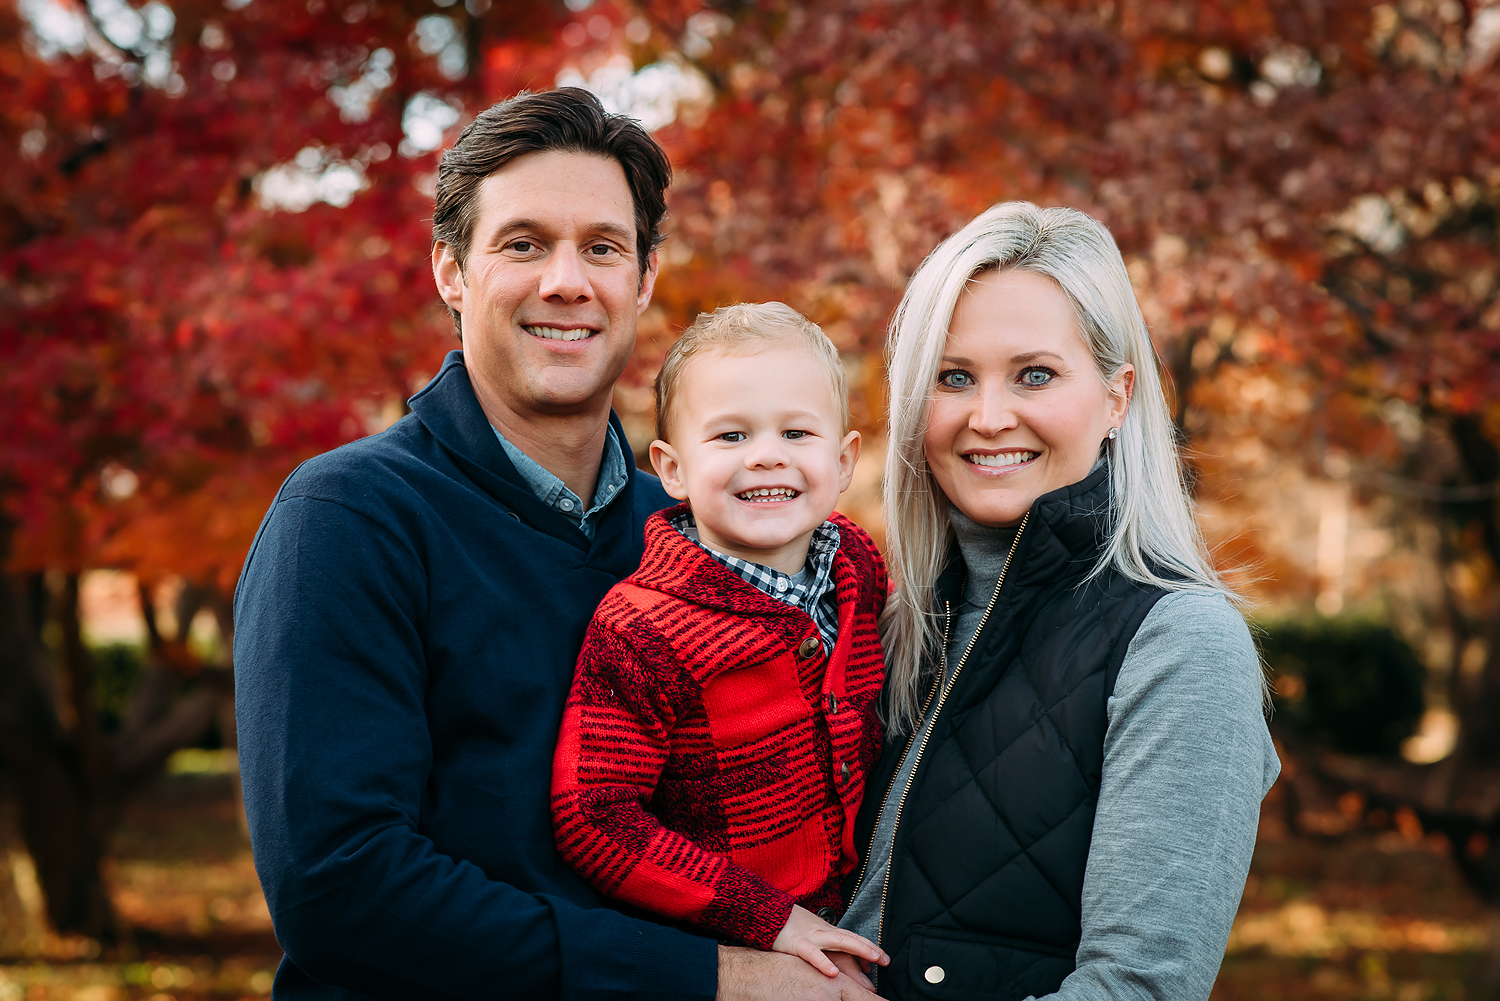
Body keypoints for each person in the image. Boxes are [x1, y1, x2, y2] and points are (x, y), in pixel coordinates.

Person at [234, 89, 878, 1001]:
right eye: (524, 243)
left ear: (645, 278)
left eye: (603, 248)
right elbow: (340, 885)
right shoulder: (348, 518)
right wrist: (721, 978)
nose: (567, 282)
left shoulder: (700, 538)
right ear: (451, 271)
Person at [840, 202, 1280, 1000]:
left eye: (1034, 374)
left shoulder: (1181, 644)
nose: (989, 416)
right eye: (953, 376)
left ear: (1117, 398)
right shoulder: (883, 622)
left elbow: (1137, 988)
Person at [550, 303, 889, 978]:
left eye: (797, 431)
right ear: (673, 469)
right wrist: (769, 917)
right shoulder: (644, 626)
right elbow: (593, 814)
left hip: (860, 926)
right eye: (731, 436)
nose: (767, 454)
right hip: (729, 949)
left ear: (843, 458)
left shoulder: (857, 566)